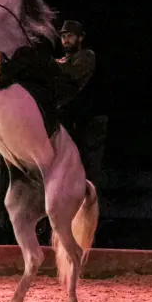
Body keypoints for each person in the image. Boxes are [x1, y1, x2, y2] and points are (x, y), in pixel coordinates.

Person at [54, 19, 107, 183]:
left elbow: (73, 73)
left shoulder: (86, 55)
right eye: (63, 36)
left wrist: (51, 65)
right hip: (70, 118)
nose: (66, 40)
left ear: (80, 38)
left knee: (88, 169)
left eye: (70, 36)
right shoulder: (61, 62)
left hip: (90, 120)